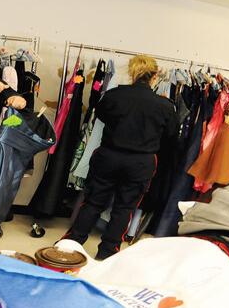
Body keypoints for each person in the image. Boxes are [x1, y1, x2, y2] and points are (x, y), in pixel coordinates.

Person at [61, 55, 178, 259]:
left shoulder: (114, 95)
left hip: (109, 156)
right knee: (124, 208)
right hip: (140, 162)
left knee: (93, 202)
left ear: (132, 73)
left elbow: (102, 116)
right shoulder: (165, 106)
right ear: (155, 76)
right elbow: (170, 136)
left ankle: (72, 243)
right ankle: (108, 252)